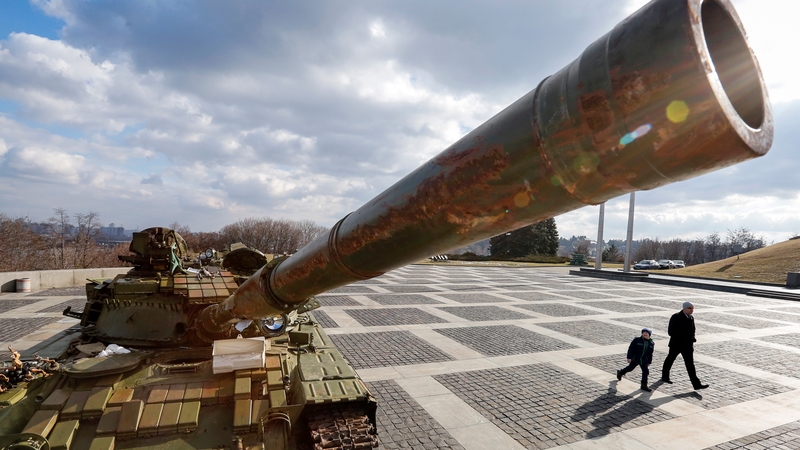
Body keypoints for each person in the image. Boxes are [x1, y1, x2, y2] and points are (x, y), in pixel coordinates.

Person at [661, 301, 709, 390]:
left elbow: (693, 330)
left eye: (693, 308)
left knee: (690, 364)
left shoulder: (691, 318)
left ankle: (696, 384)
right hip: (676, 344)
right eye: (690, 308)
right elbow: (671, 332)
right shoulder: (676, 317)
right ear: (684, 308)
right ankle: (665, 376)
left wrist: (692, 338)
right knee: (670, 359)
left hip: (688, 346)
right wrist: (683, 337)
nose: (692, 310)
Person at [616, 328, 655, 392]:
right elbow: (631, 349)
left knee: (646, 372)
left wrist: (649, 361)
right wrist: (629, 357)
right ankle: (621, 372)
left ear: (649, 335)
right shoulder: (637, 340)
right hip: (636, 358)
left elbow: (650, 354)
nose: (645, 334)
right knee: (630, 368)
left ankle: (644, 385)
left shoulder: (651, 343)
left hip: (644, 359)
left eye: (646, 333)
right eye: (643, 332)